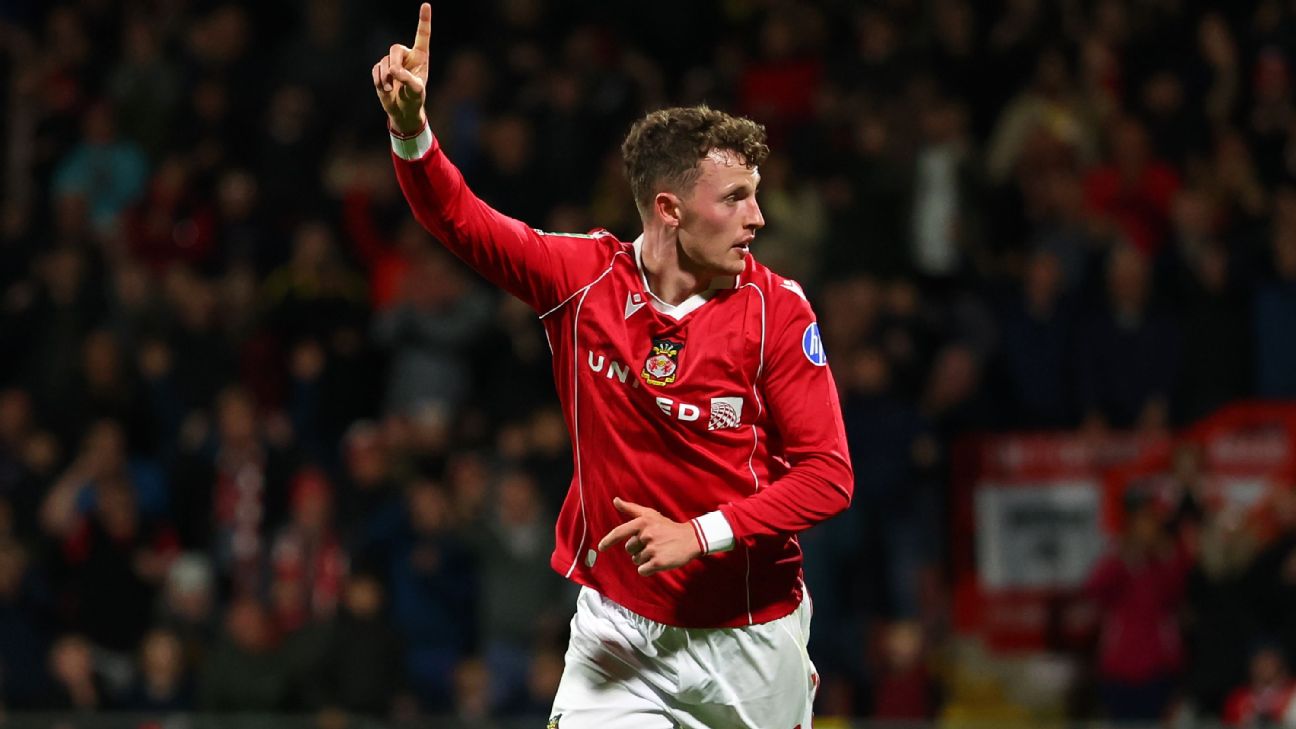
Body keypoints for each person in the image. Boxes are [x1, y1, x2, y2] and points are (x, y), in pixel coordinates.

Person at [371, 6, 853, 727]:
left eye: (755, 194)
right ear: (670, 208)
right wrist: (411, 128)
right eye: (736, 198)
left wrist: (700, 533)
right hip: (619, 631)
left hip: (749, 633)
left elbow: (828, 477)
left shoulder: (776, 311)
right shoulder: (584, 280)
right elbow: (459, 218)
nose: (758, 217)